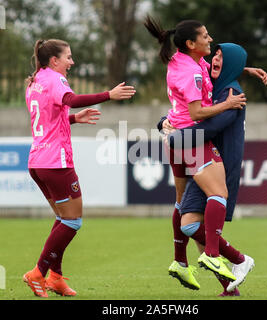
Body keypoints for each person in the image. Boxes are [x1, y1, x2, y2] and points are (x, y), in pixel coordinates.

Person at [23, 39, 136, 298]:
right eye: (68, 57)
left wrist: (73, 118)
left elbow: (50, 118)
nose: (72, 62)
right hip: (56, 162)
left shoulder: (35, 81)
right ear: (54, 60)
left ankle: (56, 278)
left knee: (63, 219)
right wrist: (109, 95)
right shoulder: (54, 79)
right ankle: (38, 273)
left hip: (38, 163)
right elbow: (71, 99)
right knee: (73, 221)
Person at [144, 16, 248, 286]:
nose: (210, 40)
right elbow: (197, 112)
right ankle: (215, 255)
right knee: (219, 192)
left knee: (181, 203)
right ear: (191, 43)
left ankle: (180, 261)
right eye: (205, 36)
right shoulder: (191, 73)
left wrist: (246, 69)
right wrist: (227, 104)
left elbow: (212, 68)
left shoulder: (182, 60)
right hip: (191, 138)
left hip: (174, 136)